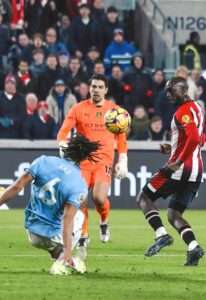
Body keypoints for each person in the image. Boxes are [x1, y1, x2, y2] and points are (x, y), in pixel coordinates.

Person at [0, 134, 101, 275]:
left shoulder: (43, 161)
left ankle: (59, 254)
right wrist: (67, 250)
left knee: (63, 223)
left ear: (67, 149)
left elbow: (17, 187)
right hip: (51, 235)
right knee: (80, 215)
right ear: (83, 158)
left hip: (31, 231)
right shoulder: (79, 184)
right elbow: (68, 218)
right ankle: (61, 261)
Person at [137, 77, 205, 266]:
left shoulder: (182, 112)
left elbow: (192, 138)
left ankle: (162, 235)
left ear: (184, 90)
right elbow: (201, 139)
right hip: (197, 170)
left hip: (180, 168)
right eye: (167, 91)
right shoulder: (198, 108)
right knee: (173, 214)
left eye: (171, 91)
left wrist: (178, 160)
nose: (168, 95)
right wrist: (172, 148)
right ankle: (193, 247)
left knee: (144, 197)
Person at [57, 74, 128, 245]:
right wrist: (62, 145)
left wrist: (123, 160)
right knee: (80, 198)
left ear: (106, 90)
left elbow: (121, 137)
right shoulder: (78, 108)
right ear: (89, 89)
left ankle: (104, 222)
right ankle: (84, 233)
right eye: (93, 87)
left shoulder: (114, 111)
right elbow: (63, 131)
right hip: (82, 161)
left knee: (99, 198)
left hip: (104, 161)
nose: (96, 90)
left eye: (100, 87)